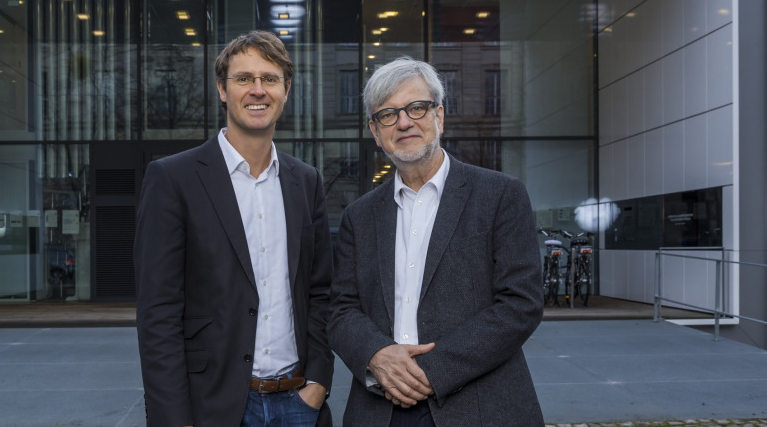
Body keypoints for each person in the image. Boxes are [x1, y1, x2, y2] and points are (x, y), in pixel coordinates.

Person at [328, 56, 544, 426]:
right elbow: (341, 310)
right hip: (381, 407)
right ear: (376, 132)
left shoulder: (499, 195)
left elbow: (520, 304)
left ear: (439, 116)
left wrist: (432, 370)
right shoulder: (359, 216)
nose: (405, 122)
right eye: (388, 114)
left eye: (416, 107)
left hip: (477, 405)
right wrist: (376, 354)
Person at [134, 30, 334, 427]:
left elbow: (321, 292)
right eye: (244, 79)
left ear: (285, 90)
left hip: (299, 403)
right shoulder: (173, 179)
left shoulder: (305, 181)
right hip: (213, 407)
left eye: (270, 79)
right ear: (222, 90)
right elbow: (158, 315)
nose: (257, 90)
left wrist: (319, 384)